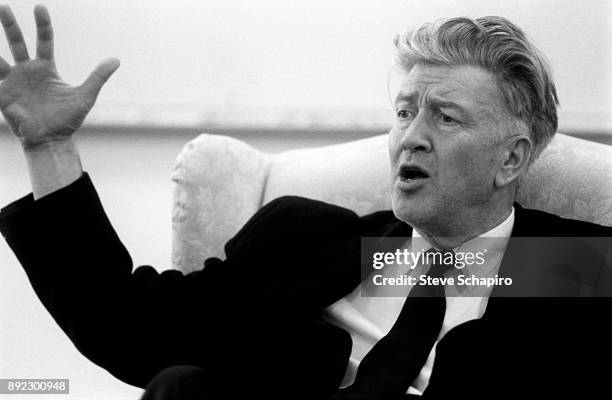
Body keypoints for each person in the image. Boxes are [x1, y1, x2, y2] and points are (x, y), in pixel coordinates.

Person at [0, 4, 610, 399]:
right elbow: (128, 328)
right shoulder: (310, 242)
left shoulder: (579, 267)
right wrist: (50, 147)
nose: (410, 136)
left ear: (511, 159)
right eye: (404, 112)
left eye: (445, 117)